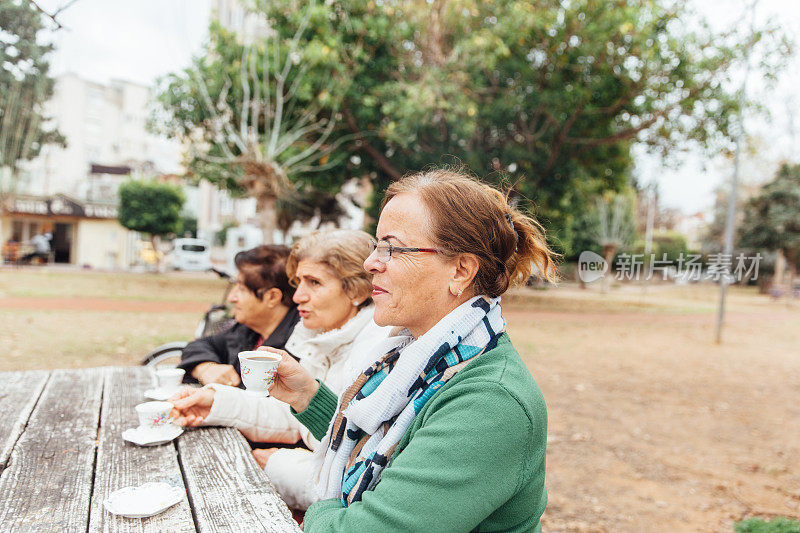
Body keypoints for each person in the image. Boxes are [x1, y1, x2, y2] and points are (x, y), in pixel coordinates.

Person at [257, 169, 558, 531]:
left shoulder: (490, 403)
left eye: (392, 248)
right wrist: (308, 397)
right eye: (376, 246)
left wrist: (323, 508)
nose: (371, 263)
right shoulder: (415, 356)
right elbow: (388, 449)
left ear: (460, 271)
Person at [171, 229, 392, 510]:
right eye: (299, 282)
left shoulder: (375, 349)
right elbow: (294, 414)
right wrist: (216, 403)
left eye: (314, 282)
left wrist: (276, 464)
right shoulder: (323, 335)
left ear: (357, 291)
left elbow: (362, 466)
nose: (298, 296)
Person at [177, 245, 300, 386]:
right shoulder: (248, 331)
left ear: (272, 297)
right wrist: (206, 368)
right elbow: (198, 346)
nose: (231, 297)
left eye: (241, 288)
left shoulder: (297, 350)